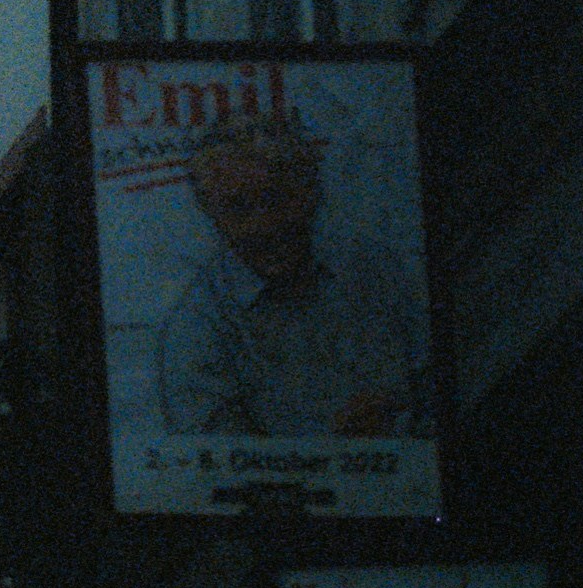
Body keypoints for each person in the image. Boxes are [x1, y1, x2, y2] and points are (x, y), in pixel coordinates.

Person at [153, 113, 432, 441]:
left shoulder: (375, 272)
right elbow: (220, 460)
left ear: (312, 193)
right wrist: (336, 446)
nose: (264, 226)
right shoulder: (197, 328)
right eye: (238, 207)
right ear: (210, 213)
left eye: (277, 199)